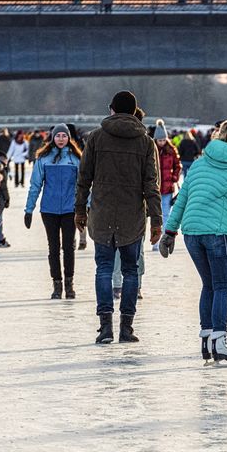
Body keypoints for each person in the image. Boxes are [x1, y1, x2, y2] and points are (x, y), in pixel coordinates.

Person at [158, 119, 227, 366]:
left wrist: (170, 231)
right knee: (222, 286)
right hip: (217, 232)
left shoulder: (201, 163)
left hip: (192, 232)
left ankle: (207, 340)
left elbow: (182, 199)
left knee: (209, 285)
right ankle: (220, 342)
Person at [75, 90, 162, 345]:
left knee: (103, 268)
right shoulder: (145, 142)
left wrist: (80, 208)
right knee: (131, 271)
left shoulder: (96, 138)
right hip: (132, 216)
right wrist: (156, 219)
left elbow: (84, 178)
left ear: (112, 109)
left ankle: (105, 328)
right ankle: (126, 327)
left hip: (101, 213)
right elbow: (151, 185)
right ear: (135, 111)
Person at [24, 124, 81, 299]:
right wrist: (29, 209)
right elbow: (35, 185)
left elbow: (84, 186)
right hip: (49, 210)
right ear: (53, 138)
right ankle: (57, 285)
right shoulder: (44, 159)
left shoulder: (76, 159)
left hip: (70, 209)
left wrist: (84, 207)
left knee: (69, 248)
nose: (61, 139)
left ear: (69, 138)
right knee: (53, 248)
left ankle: (69, 285)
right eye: (58, 136)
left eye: (64, 136)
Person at [154, 120, 182, 247]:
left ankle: (164, 240)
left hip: (167, 187)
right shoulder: (151, 149)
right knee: (155, 215)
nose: (161, 142)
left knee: (166, 214)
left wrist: (174, 177)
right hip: (154, 188)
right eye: (159, 140)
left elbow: (178, 165)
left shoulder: (171, 150)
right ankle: (155, 241)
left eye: (163, 140)